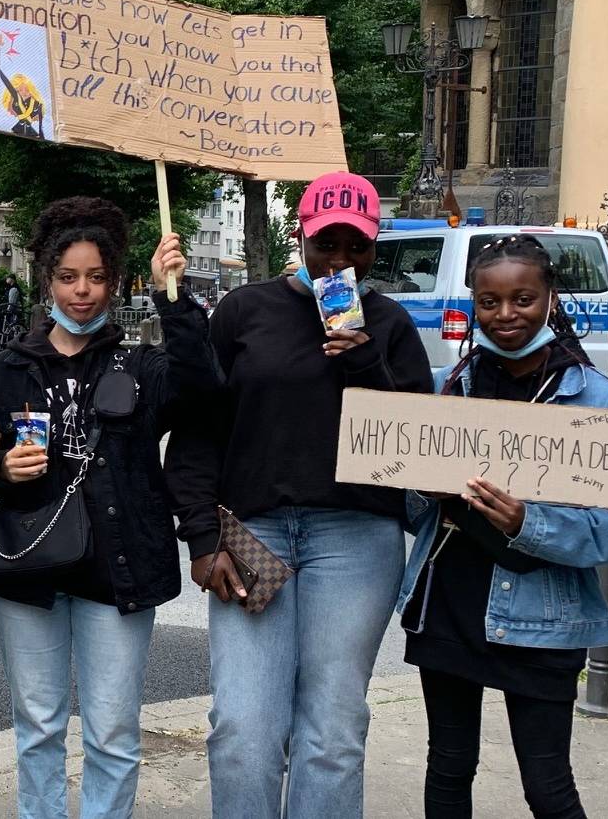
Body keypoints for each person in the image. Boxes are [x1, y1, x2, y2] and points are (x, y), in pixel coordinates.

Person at [165, 172, 433, 818]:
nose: (340, 260)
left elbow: (421, 445)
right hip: (251, 534)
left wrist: (364, 363)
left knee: (333, 731)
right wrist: (202, 535)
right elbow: (198, 428)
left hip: (356, 538)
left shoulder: (391, 324)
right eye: (326, 245)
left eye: (356, 247)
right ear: (300, 237)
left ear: (375, 247)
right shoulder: (243, 311)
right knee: (243, 728)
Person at [400, 235, 608, 818]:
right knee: (447, 766)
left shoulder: (598, 400)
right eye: (489, 302)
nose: (506, 316)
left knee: (547, 784)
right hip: (448, 605)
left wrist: (532, 523)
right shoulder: (454, 386)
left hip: (544, 619)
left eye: (522, 298)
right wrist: (425, 489)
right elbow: (411, 507)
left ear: (550, 299)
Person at [0, 199, 216, 818]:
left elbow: (206, 393)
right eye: (68, 277)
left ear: (115, 283)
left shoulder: (143, 365)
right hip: (31, 572)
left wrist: (174, 298)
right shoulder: (9, 370)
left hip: (120, 571)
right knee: (38, 728)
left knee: (112, 735)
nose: (82, 292)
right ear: (46, 279)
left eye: (96, 277)